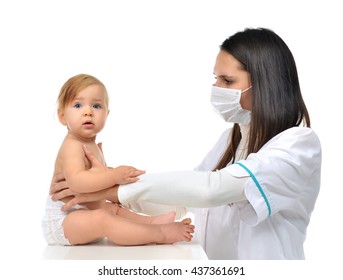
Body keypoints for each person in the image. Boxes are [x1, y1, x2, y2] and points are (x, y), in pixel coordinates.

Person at [51, 28, 321, 259]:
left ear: (265, 84)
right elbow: (184, 200)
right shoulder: (233, 137)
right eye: (215, 78)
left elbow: (212, 190)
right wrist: (112, 199)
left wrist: (112, 186)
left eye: (227, 80)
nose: (216, 87)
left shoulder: (298, 145)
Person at [42, 74, 194, 246]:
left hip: (85, 215)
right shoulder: (72, 145)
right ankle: (159, 233)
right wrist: (113, 176)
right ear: (62, 116)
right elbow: (77, 183)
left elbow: (95, 185)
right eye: (78, 105)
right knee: (102, 218)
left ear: (106, 114)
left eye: (96, 105)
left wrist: (108, 175)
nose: (88, 111)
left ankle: (151, 223)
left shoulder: (91, 146)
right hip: (64, 220)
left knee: (112, 209)